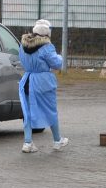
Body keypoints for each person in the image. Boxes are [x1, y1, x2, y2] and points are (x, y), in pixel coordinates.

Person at [18, 19, 69, 153]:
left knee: (27, 112)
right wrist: (59, 57)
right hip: (43, 82)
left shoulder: (23, 45)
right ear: (47, 33)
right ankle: (57, 140)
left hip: (27, 80)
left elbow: (22, 61)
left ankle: (27, 143)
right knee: (50, 109)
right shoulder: (47, 47)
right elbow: (56, 64)